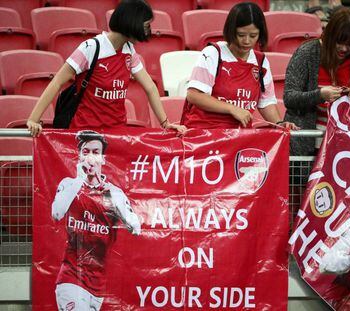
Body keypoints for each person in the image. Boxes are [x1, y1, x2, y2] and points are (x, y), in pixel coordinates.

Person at [26, 0, 185, 136]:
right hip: (85, 135)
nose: (148, 31)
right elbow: (57, 82)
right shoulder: (91, 48)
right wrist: (33, 119)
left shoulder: (129, 50)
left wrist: (165, 123)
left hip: (115, 134)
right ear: (131, 23)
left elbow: (150, 87)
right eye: (146, 26)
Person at [52, 130, 142, 310]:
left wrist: (116, 204)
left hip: (98, 286)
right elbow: (56, 213)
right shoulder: (69, 184)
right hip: (72, 279)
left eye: (95, 152)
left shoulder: (113, 193)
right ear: (79, 156)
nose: (90, 157)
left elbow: (136, 228)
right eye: (86, 152)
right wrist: (80, 179)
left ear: (103, 159)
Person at [181, 2, 297, 130]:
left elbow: (266, 102)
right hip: (205, 134)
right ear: (231, 31)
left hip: (239, 136)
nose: (247, 41)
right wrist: (232, 109)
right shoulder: (213, 53)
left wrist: (279, 124)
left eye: (253, 36)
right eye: (241, 35)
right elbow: (194, 95)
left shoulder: (260, 61)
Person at [283, 7, 350, 156]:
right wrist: (320, 95)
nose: (344, 48)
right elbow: (289, 97)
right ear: (329, 35)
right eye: (339, 42)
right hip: (308, 142)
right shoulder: (307, 53)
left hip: (348, 145)